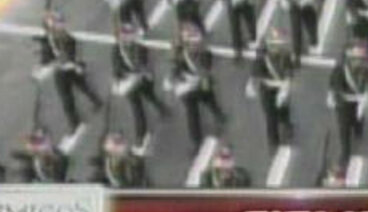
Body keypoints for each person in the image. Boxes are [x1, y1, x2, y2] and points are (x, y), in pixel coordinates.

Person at [34, 11, 103, 134]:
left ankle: (96, 100)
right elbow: (47, 56)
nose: (60, 26)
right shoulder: (48, 40)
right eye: (56, 24)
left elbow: (70, 56)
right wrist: (42, 65)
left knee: (83, 86)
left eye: (59, 23)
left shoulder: (68, 39)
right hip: (60, 72)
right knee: (66, 99)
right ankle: (74, 123)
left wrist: (58, 64)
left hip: (71, 68)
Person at [112, 24, 169, 152]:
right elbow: (116, 66)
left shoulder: (140, 49)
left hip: (141, 80)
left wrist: (141, 75)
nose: (125, 38)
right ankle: (140, 135)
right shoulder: (117, 49)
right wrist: (118, 79)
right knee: (137, 109)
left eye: (128, 35)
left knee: (150, 96)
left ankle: (161, 109)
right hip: (129, 83)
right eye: (123, 35)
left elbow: (144, 65)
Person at [170, 24, 226, 149]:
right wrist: (179, 78)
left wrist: (204, 81)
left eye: (196, 43)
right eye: (192, 43)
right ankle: (196, 139)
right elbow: (175, 72)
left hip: (200, 81)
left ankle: (217, 113)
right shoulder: (180, 56)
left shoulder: (205, 53)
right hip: (187, 87)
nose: (195, 46)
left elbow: (207, 69)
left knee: (209, 96)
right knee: (192, 112)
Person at [328, 42, 368, 167]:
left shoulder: (366, 71)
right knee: (344, 127)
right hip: (343, 102)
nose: (359, 62)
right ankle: (345, 153)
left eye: (361, 59)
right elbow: (336, 88)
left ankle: (358, 126)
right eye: (356, 59)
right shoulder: (340, 70)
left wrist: (365, 98)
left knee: (357, 119)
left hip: (358, 101)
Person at [248, 29, 295, 150]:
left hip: (281, 88)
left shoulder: (285, 55)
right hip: (267, 90)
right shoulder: (261, 59)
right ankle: (273, 142)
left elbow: (289, 72)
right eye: (275, 45)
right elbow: (259, 78)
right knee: (270, 116)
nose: (278, 48)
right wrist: (279, 84)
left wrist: (286, 86)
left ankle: (286, 125)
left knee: (284, 108)